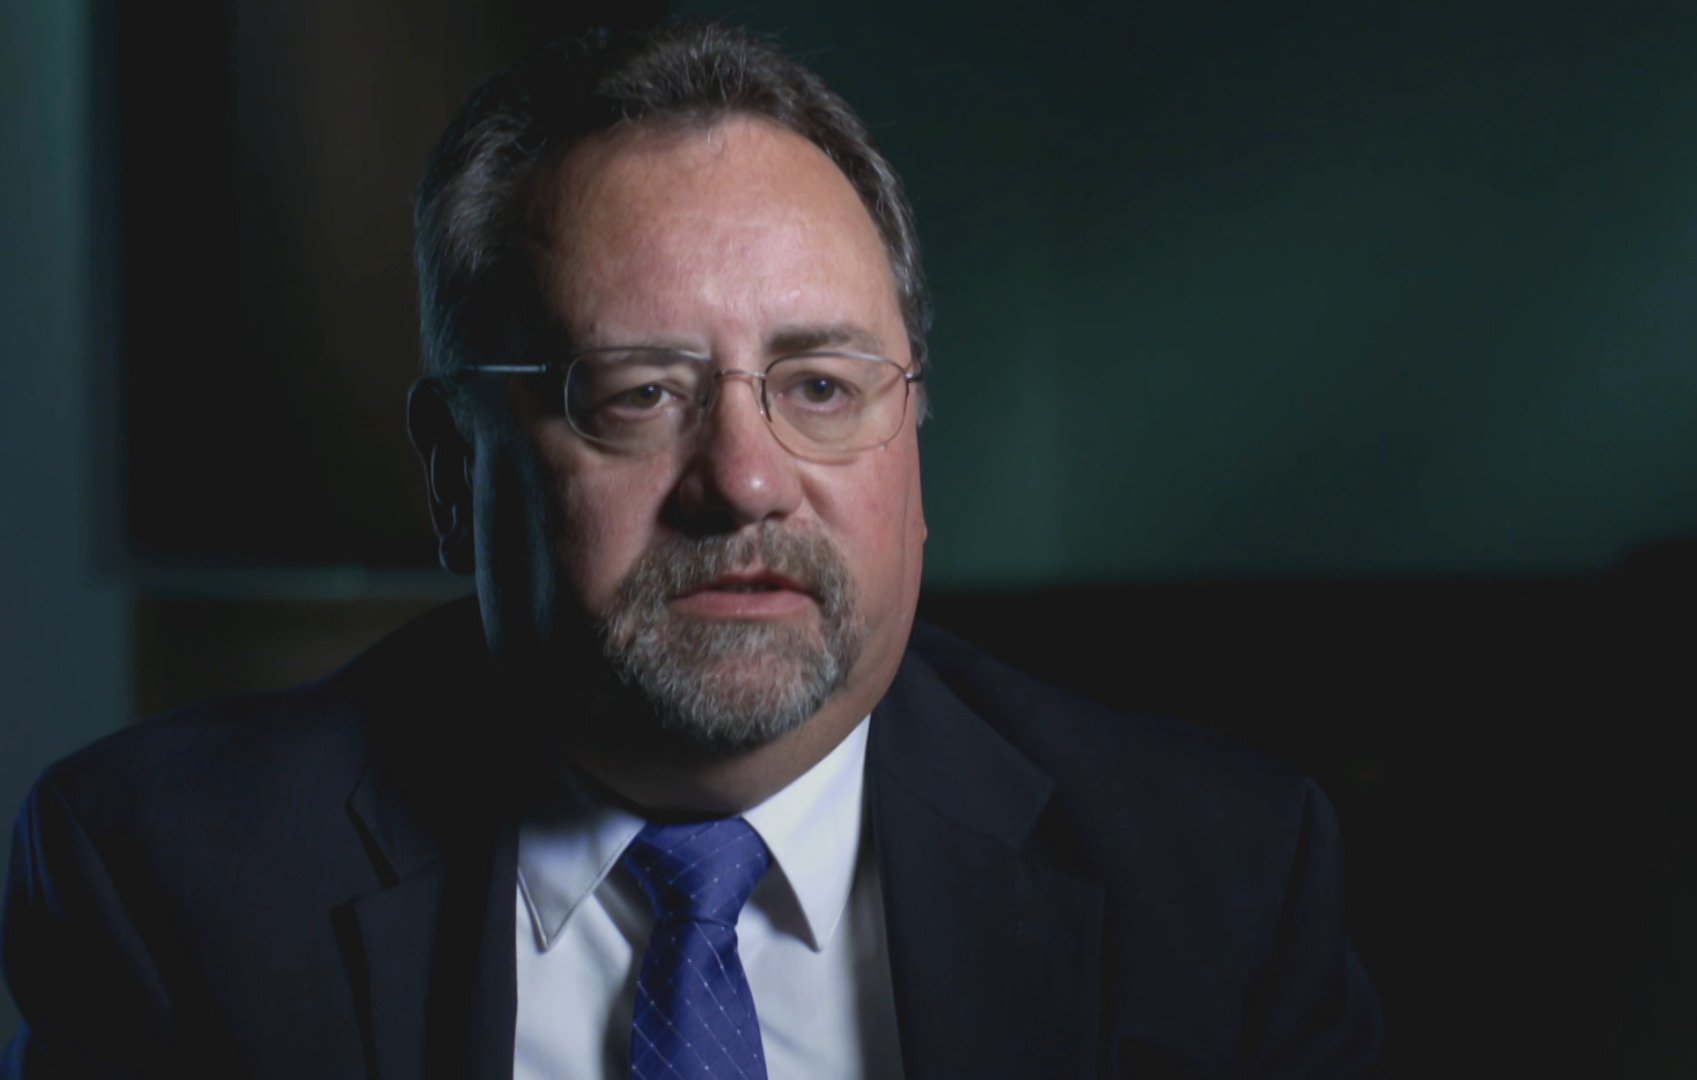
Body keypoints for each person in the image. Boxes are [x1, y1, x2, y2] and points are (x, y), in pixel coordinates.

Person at [2, 20, 1382, 1079]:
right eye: (639, 394)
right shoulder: (167, 882)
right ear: (455, 470)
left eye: (822, 387)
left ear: (915, 447)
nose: (745, 480)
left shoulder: (1220, 885)